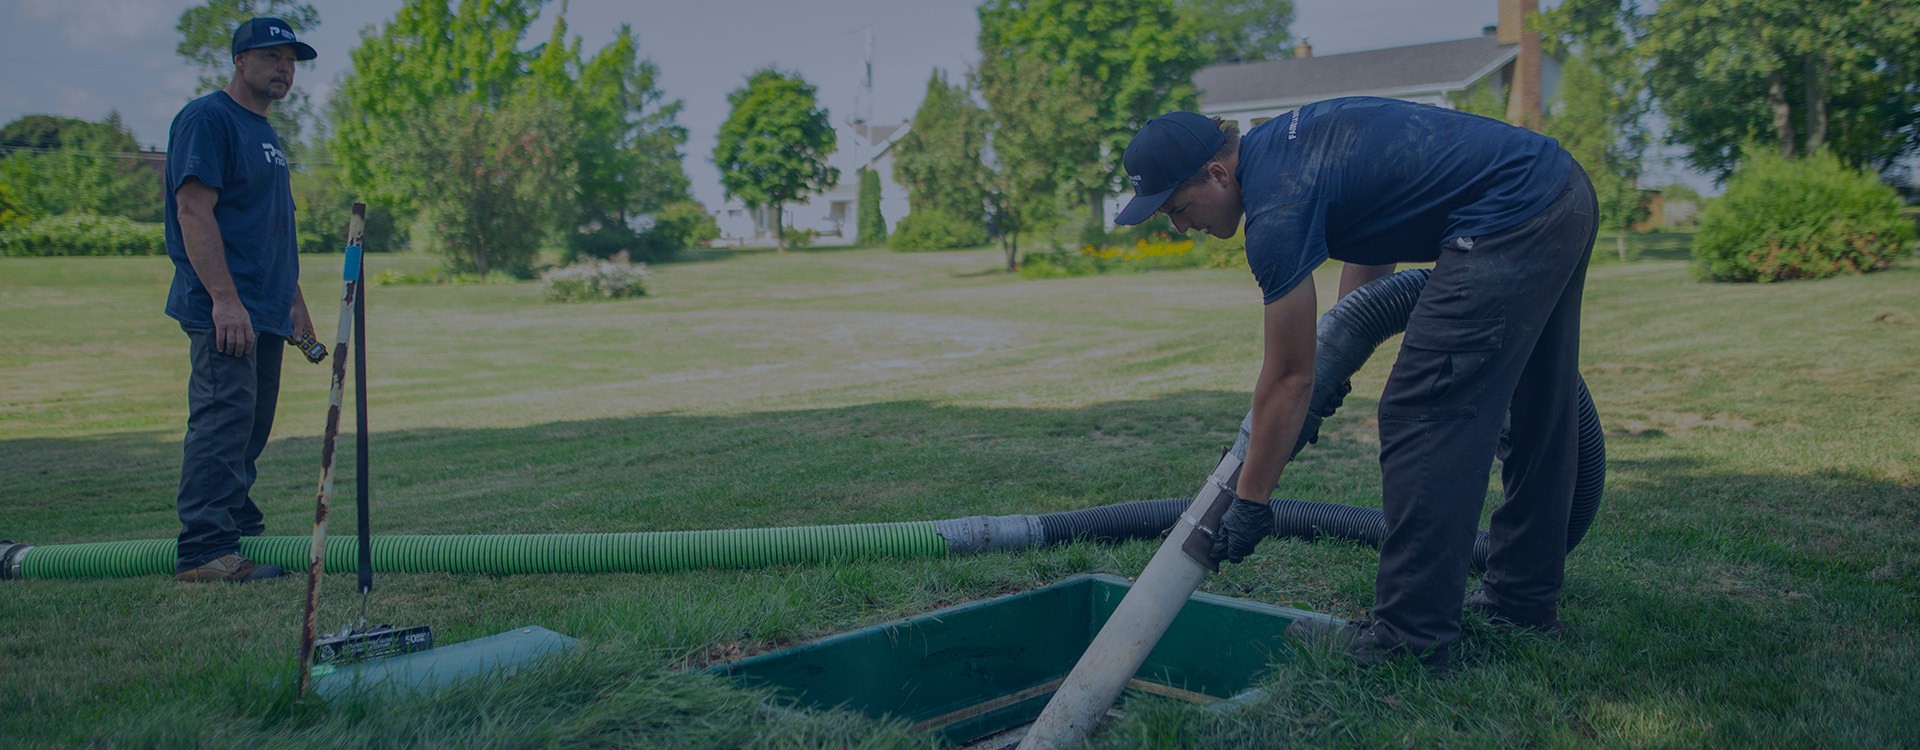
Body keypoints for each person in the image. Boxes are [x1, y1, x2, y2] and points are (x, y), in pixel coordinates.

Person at [1115, 98, 1597, 669]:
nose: (1180, 225)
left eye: (1178, 207)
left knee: (1422, 414)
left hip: (1507, 216)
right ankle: (1522, 602)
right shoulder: (1284, 150)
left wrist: (1251, 500)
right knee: (1542, 403)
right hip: (1559, 189)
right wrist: (1339, 361)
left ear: (1218, 174)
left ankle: (1409, 640)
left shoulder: (1275, 209)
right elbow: (1375, 233)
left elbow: (1288, 380)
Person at [165, 17, 319, 583]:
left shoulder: (266, 134)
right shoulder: (209, 119)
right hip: (225, 308)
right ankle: (205, 551)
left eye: (291, 59)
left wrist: (294, 303)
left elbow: (268, 227)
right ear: (239, 60)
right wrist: (224, 302)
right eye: (272, 55)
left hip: (267, 308)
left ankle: (237, 529)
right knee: (221, 422)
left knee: (250, 426)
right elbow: (193, 213)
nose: (284, 67)